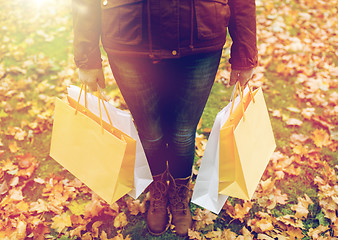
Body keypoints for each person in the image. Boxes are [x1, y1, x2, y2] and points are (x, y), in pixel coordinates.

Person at [72, 0, 257, 236]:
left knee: (183, 134)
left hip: (200, 34)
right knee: (150, 134)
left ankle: (180, 192)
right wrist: (86, 55)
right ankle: (157, 191)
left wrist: (245, 52)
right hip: (129, 39)